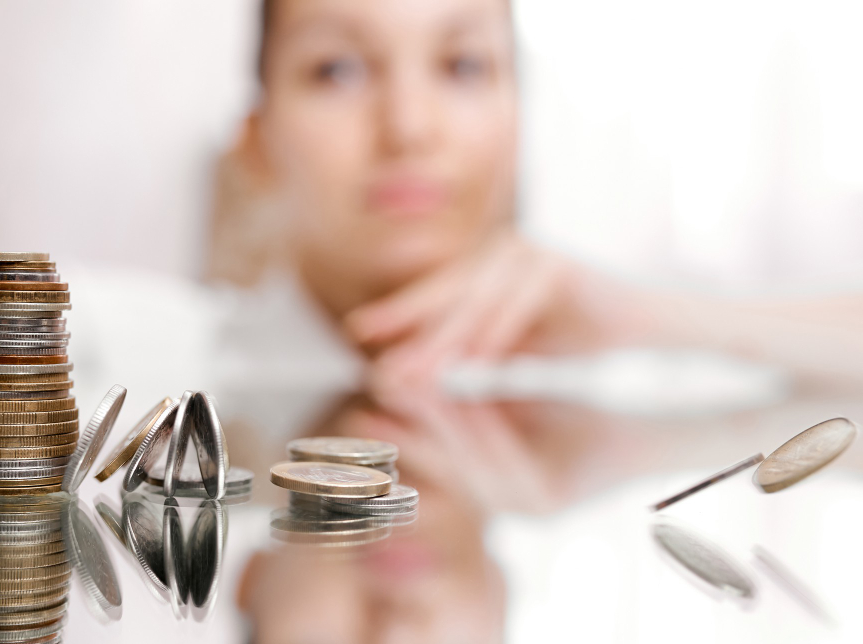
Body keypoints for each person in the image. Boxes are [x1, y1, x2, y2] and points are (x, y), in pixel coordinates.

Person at [207, 0, 863, 395]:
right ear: (256, 142)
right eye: (338, 69)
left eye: (463, 65)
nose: (409, 126)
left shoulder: (623, 357)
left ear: (521, 117)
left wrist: (639, 319)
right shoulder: (153, 359)